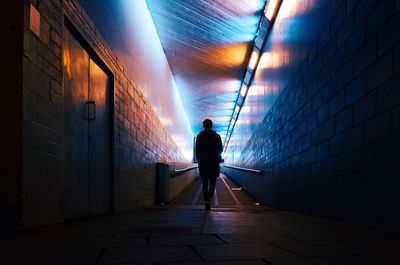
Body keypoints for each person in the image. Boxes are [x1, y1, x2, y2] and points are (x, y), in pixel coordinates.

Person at [195, 119, 223, 210]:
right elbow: (220, 149)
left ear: (203, 125)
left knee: (205, 181)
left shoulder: (199, 136)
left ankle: (206, 199)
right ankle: (209, 199)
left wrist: (200, 160)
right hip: (214, 162)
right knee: (212, 182)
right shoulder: (217, 136)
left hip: (203, 162)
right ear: (211, 125)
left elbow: (197, 150)